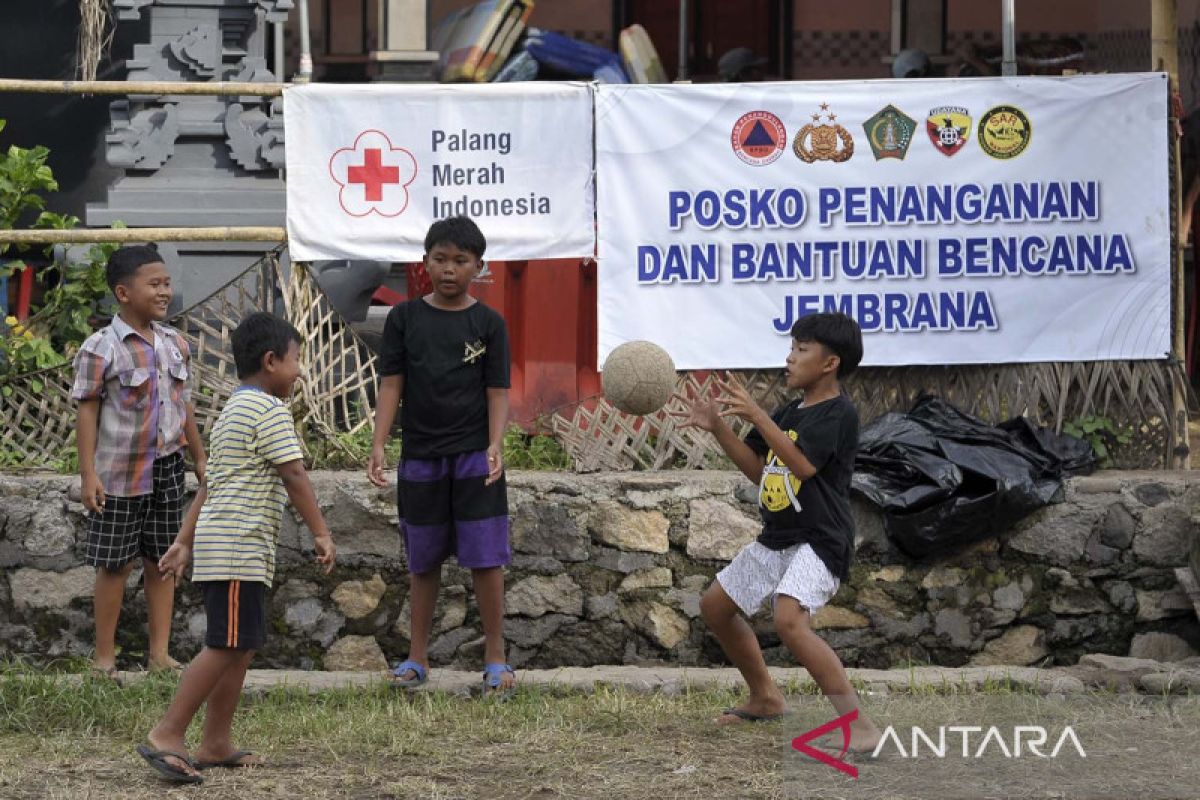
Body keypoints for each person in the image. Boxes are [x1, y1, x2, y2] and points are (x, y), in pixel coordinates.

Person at [138, 312, 336, 784]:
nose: (301, 371)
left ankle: (216, 742)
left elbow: (211, 485)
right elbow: (294, 474)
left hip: (228, 545)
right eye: (297, 361)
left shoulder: (234, 410)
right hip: (236, 546)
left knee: (240, 646)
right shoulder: (268, 410)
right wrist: (321, 531)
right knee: (226, 644)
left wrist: (184, 541)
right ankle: (167, 734)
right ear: (271, 361)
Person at [673, 312, 881, 755]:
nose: (789, 358)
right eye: (791, 347)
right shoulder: (790, 411)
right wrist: (720, 427)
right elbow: (758, 468)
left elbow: (803, 466)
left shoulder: (838, 413)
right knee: (715, 607)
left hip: (820, 539)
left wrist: (756, 414)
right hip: (779, 536)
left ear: (830, 363)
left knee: (789, 620)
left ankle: (859, 726)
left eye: (801, 349)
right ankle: (766, 697)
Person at [367, 215, 514, 696]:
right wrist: (378, 443)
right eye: (440, 259)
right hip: (421, 457)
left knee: (486, 560)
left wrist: (495, 445)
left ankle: (495, 657)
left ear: (479, 267)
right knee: (422, 562)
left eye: (460, 261)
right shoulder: (404, 319)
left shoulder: (489, 324)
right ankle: (416, 657)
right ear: (424, 262)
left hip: (474, 457)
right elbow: (392, 385)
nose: (449, 269)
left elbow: (497, 392)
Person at [71, 244, 207, 678]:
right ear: (123, 293)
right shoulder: (101, 348)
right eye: (155, 284)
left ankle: (159, 654)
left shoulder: (174, 344)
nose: (165, 292)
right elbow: (87, 408)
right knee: (115, 563)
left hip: (168, 467)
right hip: (119, 473)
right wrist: (89, 473)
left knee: (162, 560)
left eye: (167, 283)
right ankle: (104, 657)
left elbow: (183, 407)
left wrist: (199, 459)